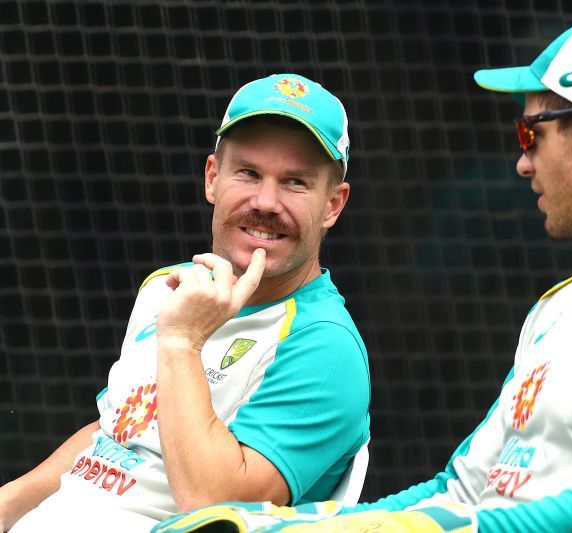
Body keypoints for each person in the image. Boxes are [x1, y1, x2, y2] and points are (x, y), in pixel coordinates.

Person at [152, 18, 572, 533]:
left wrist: (429, 530)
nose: (521, 161)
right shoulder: (557, 307)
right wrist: (290, 527)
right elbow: (463, 487)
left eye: (530, 130)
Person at [0, 73, 370, 532]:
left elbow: (211, 510)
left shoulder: (324, 346)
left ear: (333, 205)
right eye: (248, 173)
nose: (266, 201)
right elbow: (115, 437)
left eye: (294, 182)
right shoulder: (167, 288)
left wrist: (182, 342)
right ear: (213, 178)